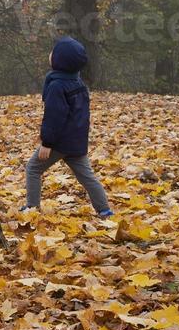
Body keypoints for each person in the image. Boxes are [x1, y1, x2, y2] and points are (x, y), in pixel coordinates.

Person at [24, 36, 113, 217]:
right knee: (87, 177)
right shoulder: (78, 82)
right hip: (76, 142)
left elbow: (54, 117)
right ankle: (104, 210)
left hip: (59, 142)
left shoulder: (57, 86)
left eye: (53, 52)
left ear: (59, 61)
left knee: (33, 168)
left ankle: (32, 208)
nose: (50, 54)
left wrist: (47, 143)